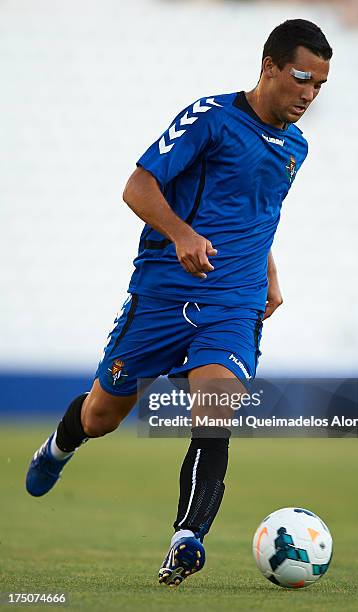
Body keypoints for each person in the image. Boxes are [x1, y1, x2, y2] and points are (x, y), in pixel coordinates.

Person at [25, 19, 332, 587]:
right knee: (101, 416)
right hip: (164, 296)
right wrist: (180, 235)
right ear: (268, 67)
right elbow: (138, 185)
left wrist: (268, 273)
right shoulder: (210, 119)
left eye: (319, 87)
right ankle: (61, 444)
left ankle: (187, 538)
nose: (309, 96)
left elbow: (259, 216)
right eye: (301, 80)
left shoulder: (296, 147)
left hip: (232, 304)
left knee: (215, 411)